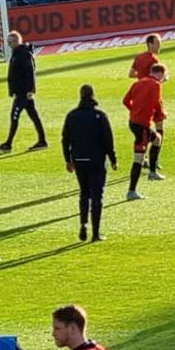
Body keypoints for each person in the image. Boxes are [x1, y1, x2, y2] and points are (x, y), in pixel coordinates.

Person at [62, 84, 118, 242]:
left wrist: (68, 159)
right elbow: (108, 140)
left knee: (84, 193)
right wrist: (113, 159)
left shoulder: (72, 115)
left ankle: (83, 224)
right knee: (97, 196)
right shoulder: (99, 115)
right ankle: (95, 232)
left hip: (79, 160)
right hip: (97, 160)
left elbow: (65, 139)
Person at [0, 31, 48, 152]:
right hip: (21, 92)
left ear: (16, 41)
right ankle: (42, 141)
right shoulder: (18, 53)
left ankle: (8, 144)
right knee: (34, 116)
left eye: (10, 42)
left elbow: (30, 72)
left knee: (15, 116)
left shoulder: (23, 54)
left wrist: (30, 90)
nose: (8, 44)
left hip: (23, 93)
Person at [122, 63, 167, 200]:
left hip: (133, 122)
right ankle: (131, 191)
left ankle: (152, 172)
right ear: (159, 74)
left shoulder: (138, 83)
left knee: (157, 139)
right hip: (142, 125)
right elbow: (156, 102)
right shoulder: (156, 85)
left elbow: (125, 100)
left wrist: (134, 110)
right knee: (139, 158)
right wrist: (161, 114)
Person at [129, 34, 166, 180]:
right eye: (157, 43)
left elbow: (131, 74)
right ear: (150, 44)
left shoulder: (138, 57)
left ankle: (143, 158)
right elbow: (157, 78)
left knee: (142, 130)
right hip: (153, 97)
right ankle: (154, 161)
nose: (159, 46)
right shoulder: (153, 60)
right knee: (159, 129)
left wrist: (141, 80)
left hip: (139, 97)